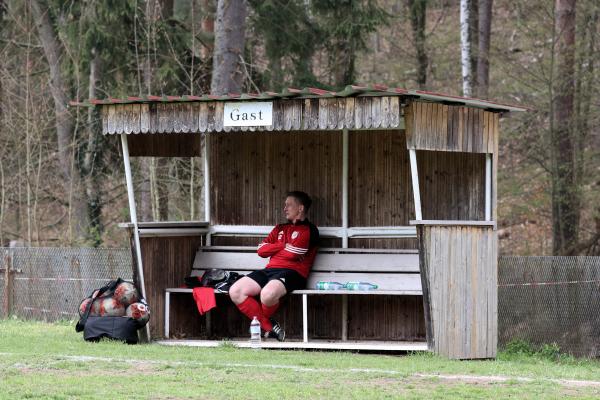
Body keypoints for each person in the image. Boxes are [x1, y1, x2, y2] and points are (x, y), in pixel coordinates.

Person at [229, 191, 319, 341]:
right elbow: (261, 250)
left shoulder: (310, 230)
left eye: (289, 205)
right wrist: (283, 245)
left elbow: (293, 254)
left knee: (267, 294)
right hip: (270, 270)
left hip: (293, 273)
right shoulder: (279, 228)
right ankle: (269, 326)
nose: (285, 208)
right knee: (235, 291)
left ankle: (265, 325)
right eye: (285, 205)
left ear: (301, 208)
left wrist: (275, 248)